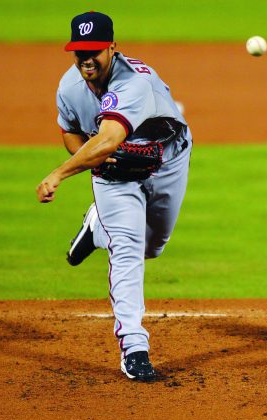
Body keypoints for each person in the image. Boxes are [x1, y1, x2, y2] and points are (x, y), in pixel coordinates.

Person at [36, 11, 192, 382]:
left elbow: (107, 139)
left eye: (94, 51)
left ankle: (95, 226)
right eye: (79, 52)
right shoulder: (69, 86)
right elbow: (71, 132)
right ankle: (134, 348)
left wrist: (60, 173)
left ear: (112, 48)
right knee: (127, 248)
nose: (86, 59)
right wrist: (95, 166)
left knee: (151, 247)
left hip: (167, 160)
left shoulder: (133, 84)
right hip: (113, 175)